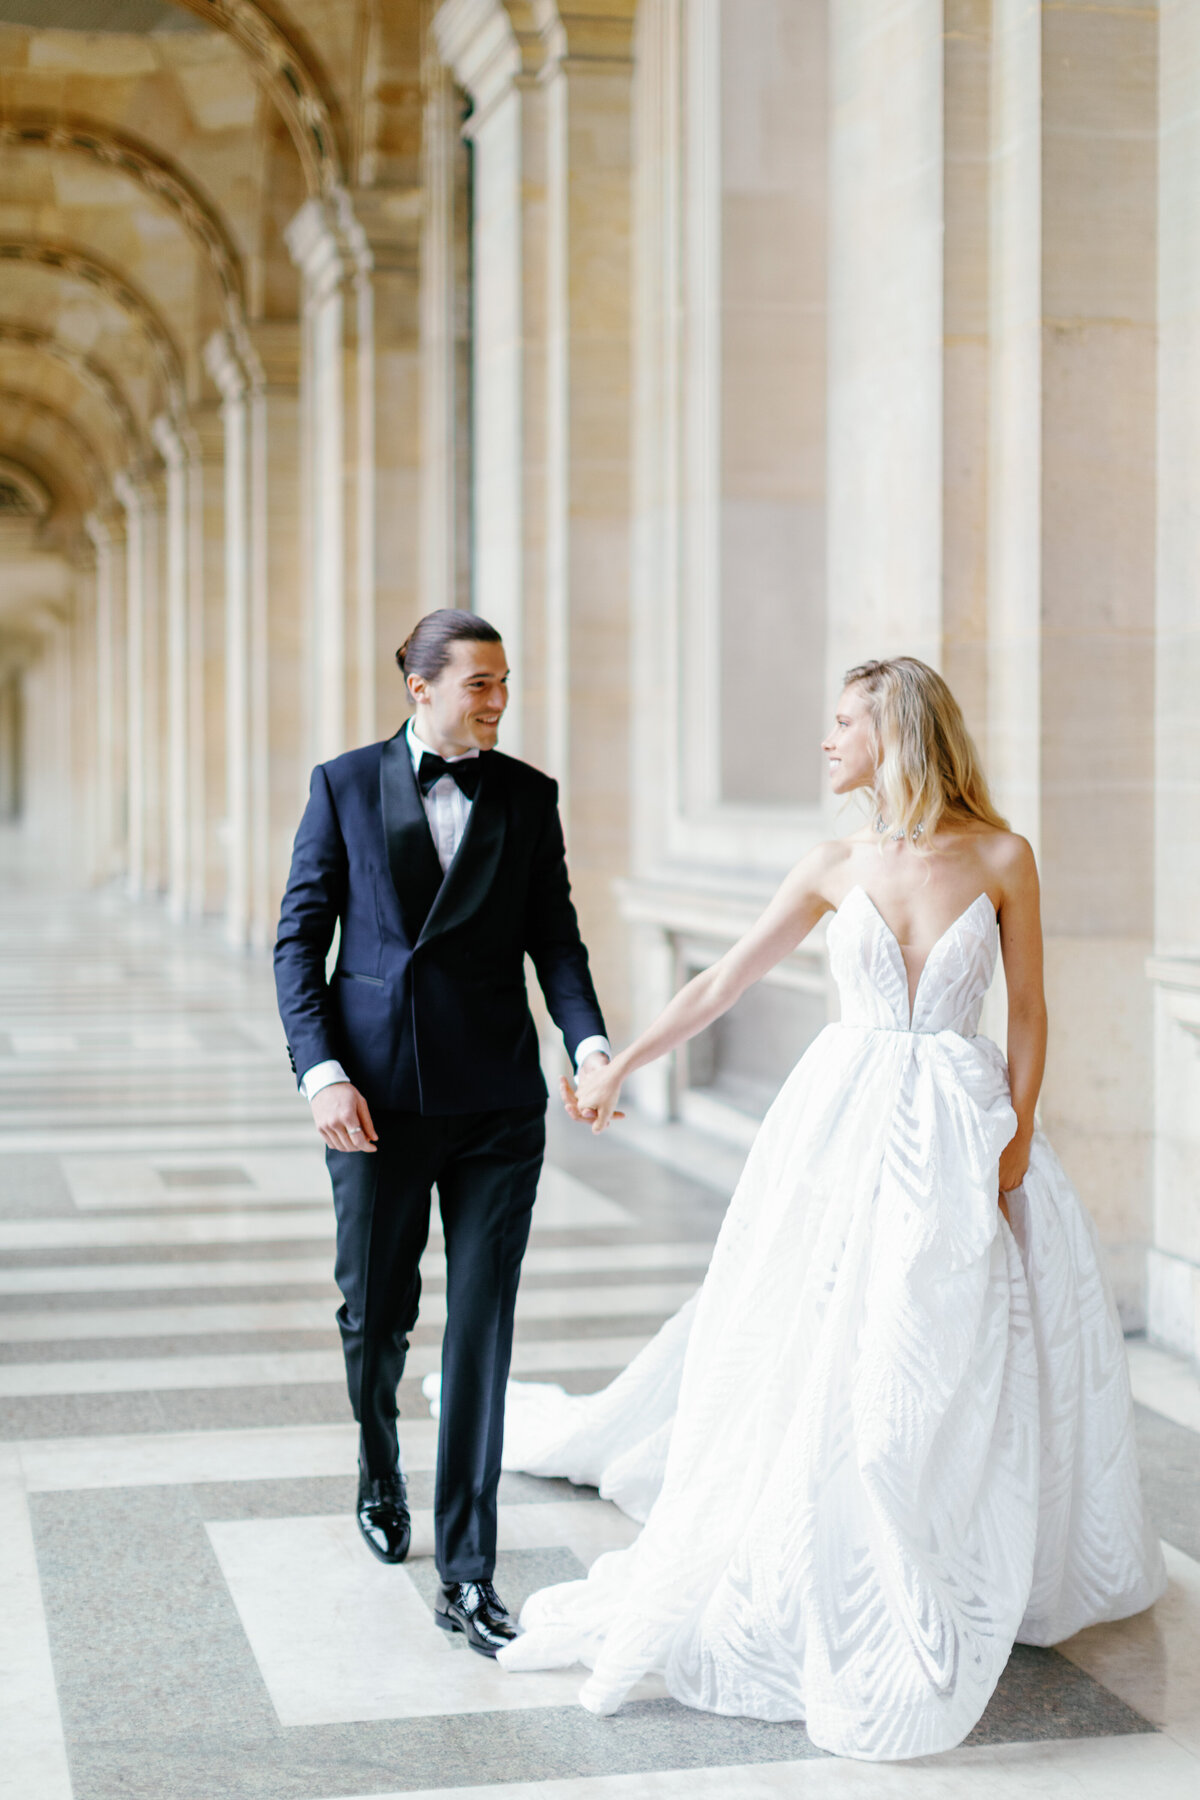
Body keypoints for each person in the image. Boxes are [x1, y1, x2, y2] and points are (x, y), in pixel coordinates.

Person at [487, 656, 1166, 1759]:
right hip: (842, 1130)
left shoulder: (1002, 856)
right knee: (825, 1336)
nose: (827, 739)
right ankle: (836, 1545)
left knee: (951, 1345)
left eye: (844, 720)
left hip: (963, 1128)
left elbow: (1032, 1009)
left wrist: (1019, 1133)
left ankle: (961, 1539)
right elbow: (722, 985)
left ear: (897, 731)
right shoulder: (831, 862)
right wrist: (615, 1066)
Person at [273, 608, 611, 1657]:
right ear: (419, 687)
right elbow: (297, 940)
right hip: (371, 1102)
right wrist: (321, 1073)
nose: (499, 701)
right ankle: (378, 1461)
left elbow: (555, 939)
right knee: (375, 1313)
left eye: (505, 682)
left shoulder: (528, 797)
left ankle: (468, 1573)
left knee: (482, 1332)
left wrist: (588, 1042)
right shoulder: (343, 785)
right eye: (479, 684)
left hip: (498, 1105)